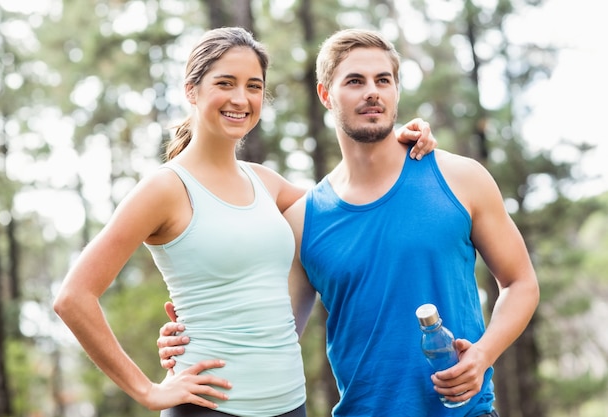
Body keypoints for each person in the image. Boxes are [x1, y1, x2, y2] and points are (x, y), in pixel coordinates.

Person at [53, 27, 437, 416]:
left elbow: (352, 200)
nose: (241, 98)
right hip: (209, 406)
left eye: (253, 86)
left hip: (289, 404)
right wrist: (147, 391)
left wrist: (397, 143)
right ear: (192, 90)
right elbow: (73, 297)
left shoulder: (267, 184)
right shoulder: (166, 188)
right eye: (225, 83)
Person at [158, 28, 540, 417]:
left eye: (383, 80)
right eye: (355, 81)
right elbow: (272, 335)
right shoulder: (303, 219)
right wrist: (190, 340)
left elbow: (520, 283)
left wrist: (483, 354)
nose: (371, 91)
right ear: (326, 94)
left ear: (396, 91)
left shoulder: (462, 179)